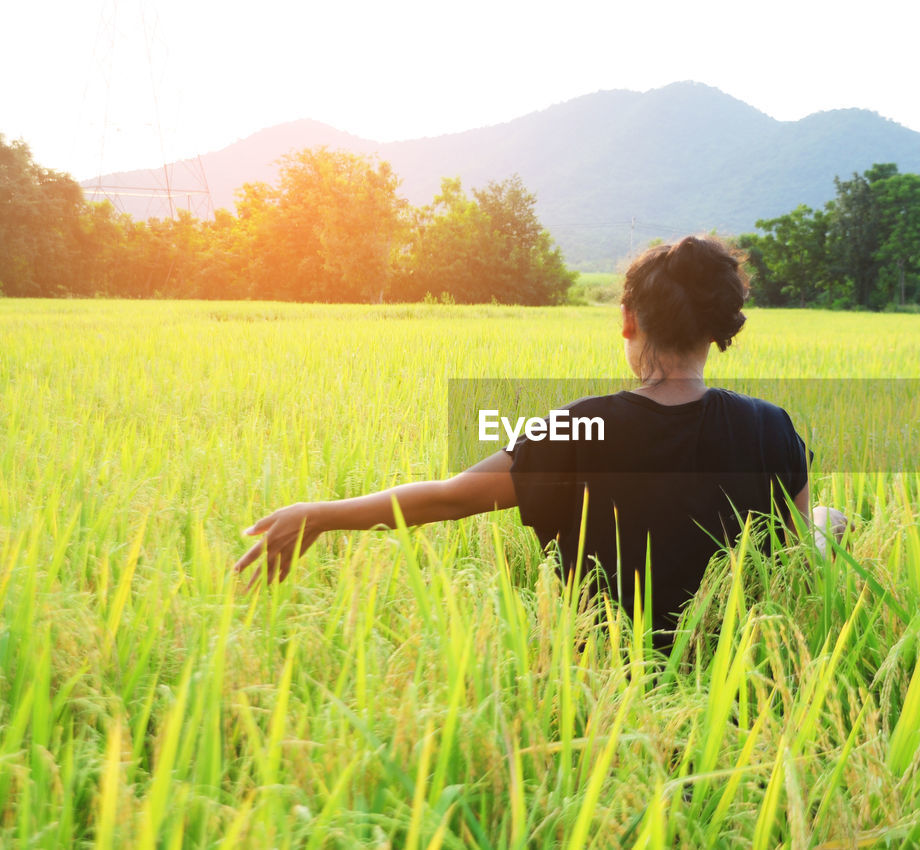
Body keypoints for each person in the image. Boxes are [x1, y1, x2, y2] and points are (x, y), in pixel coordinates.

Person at [234, 235, 846, 646]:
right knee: (828, 518)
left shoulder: (581, 428)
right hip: (731, 671)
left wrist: (320, 515)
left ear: (628, 322)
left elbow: (448, 498)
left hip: (598, 679)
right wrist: (824, 526)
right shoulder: (772, 426)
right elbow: (794, 560)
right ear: (717, 330)